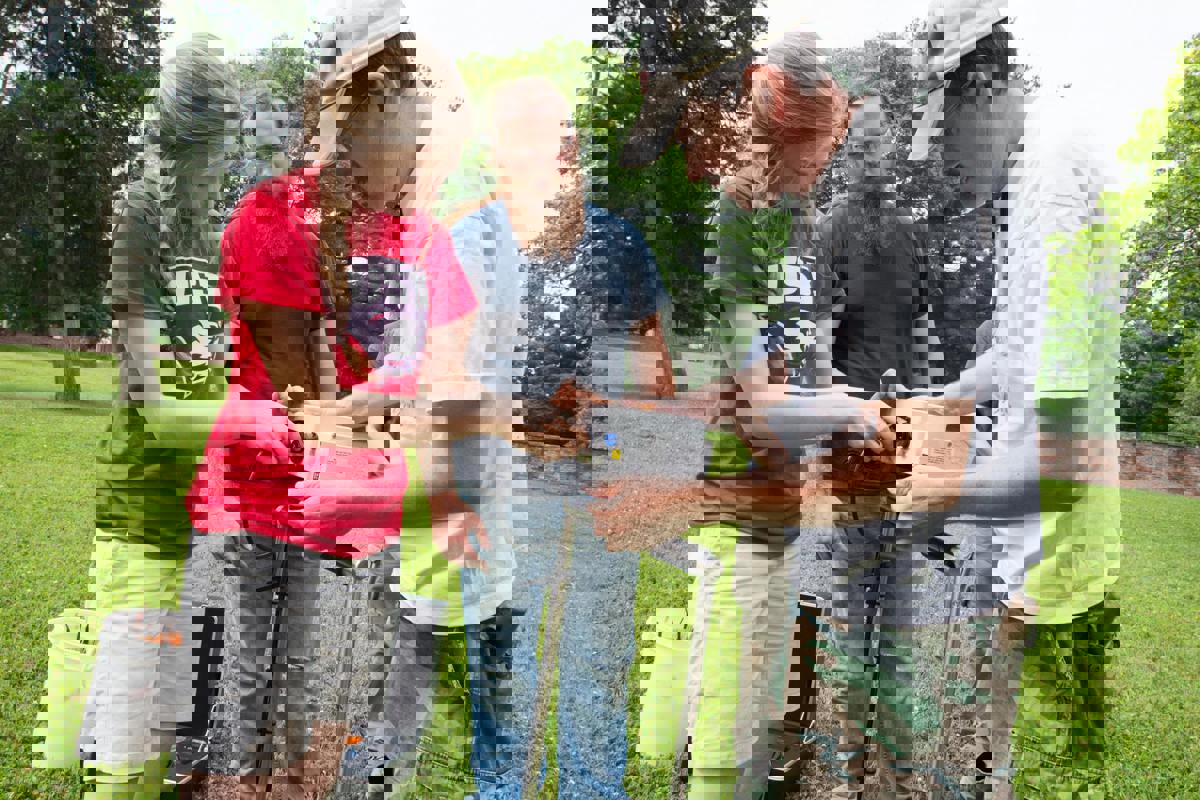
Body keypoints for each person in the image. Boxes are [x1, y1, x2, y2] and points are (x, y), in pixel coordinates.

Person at [899, 2, 1122, 797]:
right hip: (1020, 524)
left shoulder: (1056, 176)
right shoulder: (1029, 177)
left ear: (986, 90)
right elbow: (1021, 347)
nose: (953, 156)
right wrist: (943, 400)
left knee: (981, 759)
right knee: (975, 749)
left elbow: (1058, 416)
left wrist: (936, 505)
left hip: (1046, 545)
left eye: (951, 129)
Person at [677, 33, 897, 800]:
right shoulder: (736, 224)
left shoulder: (799, 226)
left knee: (760, 714)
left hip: (785, 513)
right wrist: (845, 411)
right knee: (725, 723)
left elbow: (804, 367)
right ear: (790, 126)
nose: (828, 153)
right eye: (822, 135)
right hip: (738, 505)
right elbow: (756, 411)